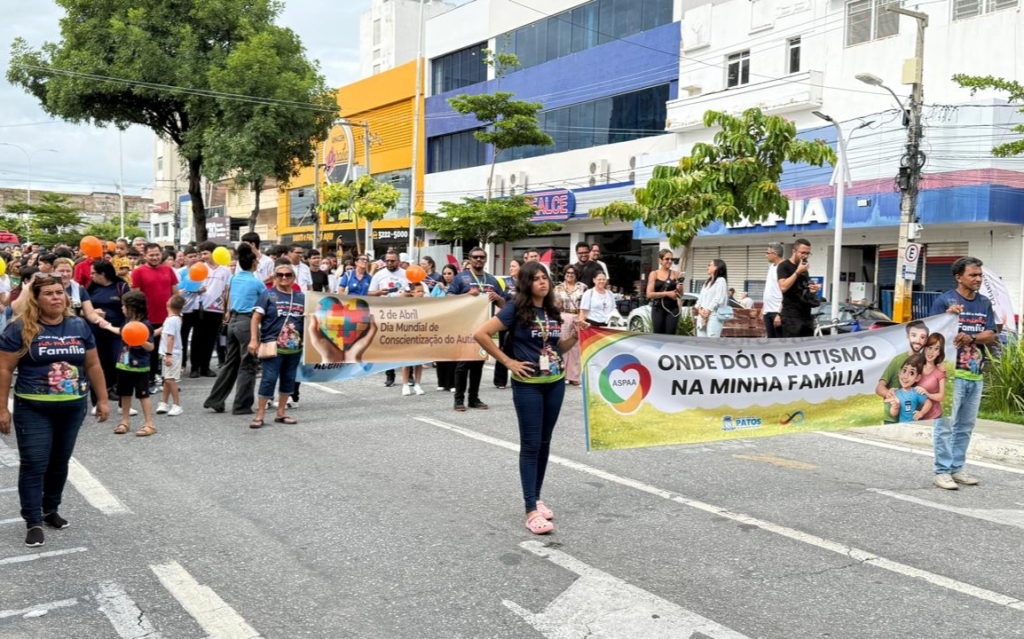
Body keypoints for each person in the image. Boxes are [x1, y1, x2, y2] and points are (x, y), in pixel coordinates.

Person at [0, 275, 109, 547]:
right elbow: (4, 369)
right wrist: (2, 408)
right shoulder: (19, 327)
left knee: (60, 462)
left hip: (72, 407)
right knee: (35, 463)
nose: (56, 297)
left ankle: (50, 510)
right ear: (36, 299)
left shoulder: (78, 325)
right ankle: (33, 520)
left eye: (60, 292)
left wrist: (103, 399)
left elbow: (93, 365)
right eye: (49, 293)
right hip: (33, 407)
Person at [473, 261, 579, 535]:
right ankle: (530, 510)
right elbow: (481, 334)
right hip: (528, 385)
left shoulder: (552, 311)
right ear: (526, 283)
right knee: (531, 444)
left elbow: (557, 347)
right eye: (536, 278)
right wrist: (508, 361)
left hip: (554, 382)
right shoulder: (515, 309)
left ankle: (537, 497)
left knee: (544, 442)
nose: (543, 282)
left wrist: (575, 336)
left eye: (545, 278)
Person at [929, 256, 997, 490]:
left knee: (965, 426)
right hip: (949, 374)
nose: (978, 279)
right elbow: (932, 337)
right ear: (959, 277)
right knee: (945, 426)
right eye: (973, 275)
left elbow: (991, 334)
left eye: (980, 275)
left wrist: (972, 337)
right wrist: (949, 318)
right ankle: (942, 471)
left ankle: (957, 468)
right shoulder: (944, 301)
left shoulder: (984, 303)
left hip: (975, 373)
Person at [204, 244, 264, 415]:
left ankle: (215, 400)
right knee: (248, 365)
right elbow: (265, 303)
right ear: (254, 263)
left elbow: (228, 298)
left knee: (230, 363)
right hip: (247, 323)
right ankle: (241, 405)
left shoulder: (233, 278)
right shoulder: (257, 283)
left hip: (232, 322)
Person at [248, 260, 305, 429]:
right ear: (274, 277)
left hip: (294, 347)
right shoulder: (269, 295)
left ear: (293, 277)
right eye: (280, 275)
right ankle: (260, 415)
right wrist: (253, 339)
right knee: (269, 379)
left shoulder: (301, 297)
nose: (284, 278)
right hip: (272, 345)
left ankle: (281, 413)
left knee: (288, 379)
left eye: (288, 275)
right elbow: (256, 318)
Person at [448, 247, 506, 411]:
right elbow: (449, 298)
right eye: (475, 257)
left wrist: (497, 297)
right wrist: (466, 295)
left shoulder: (492, 280)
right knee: (462, 364)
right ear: (470, 259)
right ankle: (459, 400)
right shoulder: (461, 278)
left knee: (478, 364)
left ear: (485, 259)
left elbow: (504, 304)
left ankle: (474, 398)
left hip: (484, 328)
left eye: (481, 257)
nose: (478, 260)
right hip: (465, 326)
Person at [105, 291, 156, 437]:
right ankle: (125, 421)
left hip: (140, 366)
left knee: (143, 395)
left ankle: (149, 423)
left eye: (124, 305)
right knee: (125, 393)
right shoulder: (127, 322)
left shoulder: (145, 325)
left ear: (132, 307)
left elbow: (151, 347)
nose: (122, 308)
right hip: (123, 364)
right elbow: (122, 332)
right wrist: (108, 326)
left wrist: (141, 340)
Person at [132, 243, 179, 392]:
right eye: (151, 255)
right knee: (150, 352)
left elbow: (175, 293)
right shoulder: (138, 272)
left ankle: (168, 380)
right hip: (147, 319)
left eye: (157, 254)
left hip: (167, 318)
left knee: (168, 350)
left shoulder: (168, 270)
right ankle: (150, 380)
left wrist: (177, 313)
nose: (154, 257)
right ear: (144, 255)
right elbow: (135, 297)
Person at [89, 260, 131, 410]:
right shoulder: (91, 288)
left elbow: (130, 308)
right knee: (97, 366)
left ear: (103, 274)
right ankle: (97, 402)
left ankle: (123, 402)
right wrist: (93, 312)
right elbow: (83, 309)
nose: (91, 275)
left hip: (117, 332)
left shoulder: (121, 286)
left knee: (121, 365)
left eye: (93, 273)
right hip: (96, 333)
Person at [369, 249, 410, 388]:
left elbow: (415, 291)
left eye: (393, 261)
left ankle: (409, 374)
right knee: (388, 345)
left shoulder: (406, 274)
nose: (390, 263)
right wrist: (379, 292)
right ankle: (390, 375)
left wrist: (406, 295)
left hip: (403, 313)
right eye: (387, 261)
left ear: (398, 261)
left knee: (405, 344)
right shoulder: (379, 275)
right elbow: (369, 293)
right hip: (385, 314)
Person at [190, 242, 230, 378]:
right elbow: (191, 286)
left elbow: (227, 290)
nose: (203, 256)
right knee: (197, 338)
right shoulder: (199, 267)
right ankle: (194, 367)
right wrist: (197, 289)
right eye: (201, 254)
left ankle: (205, 367)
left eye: (205, 253)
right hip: (200, 307)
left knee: (210, 339)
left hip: (217, 309)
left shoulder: (225, 270)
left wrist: (227, 309)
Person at [876, 320, 929, 423]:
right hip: (892, 419)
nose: (918, 340)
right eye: (914, 335)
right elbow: (879, 387)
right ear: (908, 337)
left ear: (926, 340)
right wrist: (890, 394)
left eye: (922, 337)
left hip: (916, 419)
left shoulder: (928, 362)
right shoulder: (897, 360)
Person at [777, 238, 820, 338]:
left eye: (808, 253)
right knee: (792, 345)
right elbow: (783, 287)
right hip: (791, 315)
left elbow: (802, 288)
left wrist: (812, 290)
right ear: (794, 251)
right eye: (803, 253)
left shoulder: (804, 269)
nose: (805, 256)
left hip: (806, 314)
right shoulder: (784, 266)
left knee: (807, 344)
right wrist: (798, 272)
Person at [553, 264, 586, 386]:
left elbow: (586, 305)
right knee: (563, 345)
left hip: (578, 316)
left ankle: (574, 376)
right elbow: (554, 305)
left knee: (576, 347)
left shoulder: (583, 287)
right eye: (568, 273)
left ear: (576, 275)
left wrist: (582, 318)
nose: (570, 275)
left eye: (572, 273)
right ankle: (562, 374)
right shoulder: (558, 288)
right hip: (563, 316)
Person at [430, 265, 459, 392]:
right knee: (440, 352)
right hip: (440, 322)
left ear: (455, 274)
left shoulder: (457, 286)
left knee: (452, 353)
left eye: (449, 273)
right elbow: (430, 301)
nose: (447, 276)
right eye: (445, 273)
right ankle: (441, 382)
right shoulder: (438, 287)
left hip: (453, 322)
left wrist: (446, 291)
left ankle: (452, 383)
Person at [155, 295, 184, 417]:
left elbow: (170, 338)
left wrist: (168, 355)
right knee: (166, 379)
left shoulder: (170, 320)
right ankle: (164, 402)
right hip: (170, 353)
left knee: (169, 380)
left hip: (171, 354)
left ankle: (177, 405)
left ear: (168, 305)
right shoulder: (175, 318)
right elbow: (162, 330)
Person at [494, 259, 520, 389]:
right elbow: (499, 298)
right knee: (503, 347)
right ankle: (500, 380)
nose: (511, 268)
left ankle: (520, 375)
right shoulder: (504, 282)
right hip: (506, 318)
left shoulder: (526, 282)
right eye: (510, 266)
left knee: (519, 347)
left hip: (521, 319)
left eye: (513, 266)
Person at [884, 354, 931, 423]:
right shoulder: (896, 393)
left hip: (915, 424)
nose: (905, 376)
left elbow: (928, 403)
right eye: (904, 371)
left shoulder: (916, 391)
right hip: (902, 425)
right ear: (899, 373)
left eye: (911, 373)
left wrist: (921, 412)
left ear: (917, 378)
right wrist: (895, 407)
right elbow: (893, 414)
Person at [646, 249, 682, 336]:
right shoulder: (654, 274)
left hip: (672, 309)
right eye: (667, 259)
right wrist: (667, 294)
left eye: (672, 259)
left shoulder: (676, 274)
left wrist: (679, 288)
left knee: (670, 335)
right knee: (658, 336)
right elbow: (649, 294)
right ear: (660, 260)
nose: (670, 261)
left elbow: (680, 294)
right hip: (658, 309)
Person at [401, 282, 428, 396]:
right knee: (407, 361)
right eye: (418, 291)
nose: (421, 293)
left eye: (422, 291)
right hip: (408, 335)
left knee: (419, 362)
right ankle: (405, 385)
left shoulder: (426, 305)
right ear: (412, 293)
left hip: (421, 335)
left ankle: (417, 384)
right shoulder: (407, 304)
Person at [696, 260, 731, 338]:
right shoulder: (707, 282)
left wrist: (708, 311)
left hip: (713, 316)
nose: (707, 267)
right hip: (702, 316)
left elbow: (718, 299)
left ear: (716, 267)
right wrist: (699, 310)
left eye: (710, 265)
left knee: (712, 341)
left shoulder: (721, 281)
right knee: (701, 342)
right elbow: (700, 299)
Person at [917, 333, 947, 423]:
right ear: (925, 349)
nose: (931, 352)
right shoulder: (917, 368)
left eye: (936, 349)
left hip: (934, 417)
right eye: (930, 347)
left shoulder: (940, 371)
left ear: (939, 352)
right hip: (916, 416)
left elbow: (941, 396)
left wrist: (927, 394)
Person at [762, 242, 785, 338]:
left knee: (779, 341)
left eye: (767, 253)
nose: (766, 255)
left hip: (777, 311)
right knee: (770, 341)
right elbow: (770, 288)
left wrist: (780, 313)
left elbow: (786, 292)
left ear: (775, 254)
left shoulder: (784, 267)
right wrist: (764, 307)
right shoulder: (771, 267)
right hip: (768, 311)